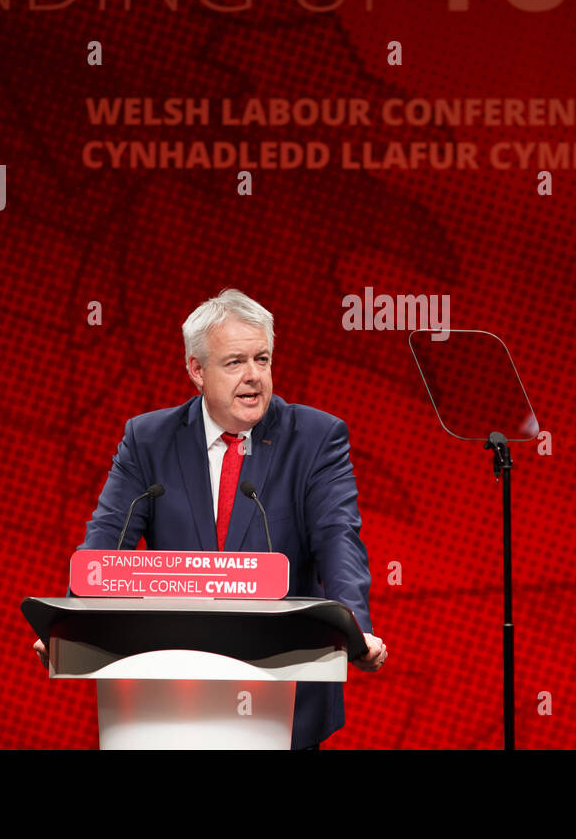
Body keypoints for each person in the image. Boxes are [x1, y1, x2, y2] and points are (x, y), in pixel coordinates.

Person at [35, 288, 386, 748]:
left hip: (280, 686)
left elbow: (338, 536)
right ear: (196, 370)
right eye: (235, 362)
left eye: (262, 359)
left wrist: (355, 625)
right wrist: (69, 623)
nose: (254, 377)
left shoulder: (315, 437)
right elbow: (108, 538)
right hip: (172, 689)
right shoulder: (149, 440)